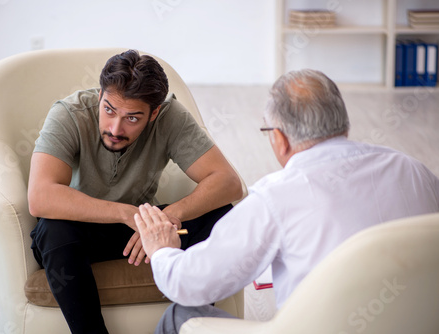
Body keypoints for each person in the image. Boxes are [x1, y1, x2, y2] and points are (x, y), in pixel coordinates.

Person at [134, 69, 439, 334]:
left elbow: (189, 284)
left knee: (179, 316)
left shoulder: (275, 198)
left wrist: (162, 249)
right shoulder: (415, 170)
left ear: (279, 138)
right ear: (342, 124)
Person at [27, 49, 243, 334]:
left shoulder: (170, 116)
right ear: (101, 94)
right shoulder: (68, 114)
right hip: (83, 231)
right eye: (108, 110)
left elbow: (228, 182)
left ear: (154, 113)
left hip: (145, 232)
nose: (115, 128)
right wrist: (127, 214)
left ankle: (187, 323)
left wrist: (164, 218)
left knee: (223, 217)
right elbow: (40, 197)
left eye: (132, 118)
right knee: (52, 230)